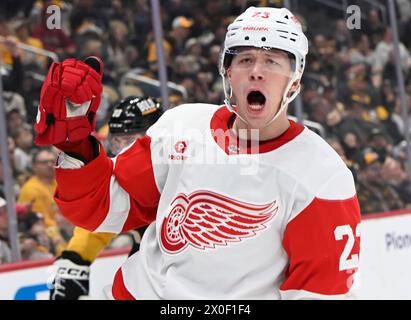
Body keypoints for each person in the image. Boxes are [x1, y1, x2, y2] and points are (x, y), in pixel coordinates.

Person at [35, 7, 361, 299]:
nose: (257, 71)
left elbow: (320, 292)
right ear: (228, 72)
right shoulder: (183, 126)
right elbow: (103, 208)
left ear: (294, 80)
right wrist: (75, 145)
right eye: (245, 59)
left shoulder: (323, 177)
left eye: (272, 61)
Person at [49, 96, 163, 300]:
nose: (120, 149)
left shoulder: (186, 165)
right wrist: (74, 260)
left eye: (129, 141)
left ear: (155, 136)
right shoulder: (128, 175)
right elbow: (102, 218)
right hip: (155, 266)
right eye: (116, 140)